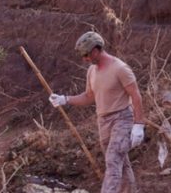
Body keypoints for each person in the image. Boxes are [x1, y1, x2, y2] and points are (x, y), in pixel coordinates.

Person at [49, 31, 146, 193]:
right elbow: (88, 97)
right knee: (120, 164)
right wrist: (64, 99)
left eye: (86, 55)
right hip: (103, 122)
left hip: (122, 118)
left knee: (113, 160)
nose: (85, 59)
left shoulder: (120, 68)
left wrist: (138, 125)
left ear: (95, 50)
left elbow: (136, 96)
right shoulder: (92, 72)